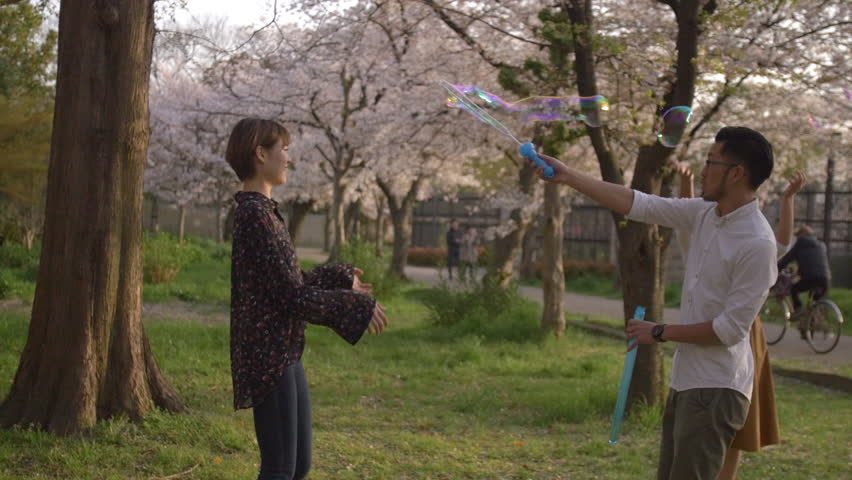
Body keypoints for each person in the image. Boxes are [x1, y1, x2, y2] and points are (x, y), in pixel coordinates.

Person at [530, 126, 777, 480]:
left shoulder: (757, 243)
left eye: (711, 162)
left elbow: (729, 330)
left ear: (737, 173)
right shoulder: (706, 214)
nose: (703, 171)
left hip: (717, 389)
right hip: (689, 381)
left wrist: (658, 331)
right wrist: (569, 175)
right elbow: (639, 203)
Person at [225, 117, 388, 480]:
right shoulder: (254, 215)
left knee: (298, 467)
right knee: (281, 469)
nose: (289, 159)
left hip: (285, 350)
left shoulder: (265, 213)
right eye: (283, 150)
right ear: (260, 153)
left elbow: (288, 282)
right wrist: (356, 307)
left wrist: (342, 279)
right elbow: (292, 296)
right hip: (269, 355)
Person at [673, 160, 807, 480]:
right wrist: (687, 185)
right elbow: (687, 217)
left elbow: (783, 243)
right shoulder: (704, 231)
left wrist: (788, 200)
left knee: (739, 430)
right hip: (706, 341)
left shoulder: (754, 242)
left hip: (743, 336)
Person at [778, 224, 831, 334]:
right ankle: (809, 331)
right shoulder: (821, 245)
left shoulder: (800, 244)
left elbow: (786, 260)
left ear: (801, 235)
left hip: (810, 278)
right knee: (814, 304)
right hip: (825, 279)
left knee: (794, 290)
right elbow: (813, 262)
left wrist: (775, 268)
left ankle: (798, 309)